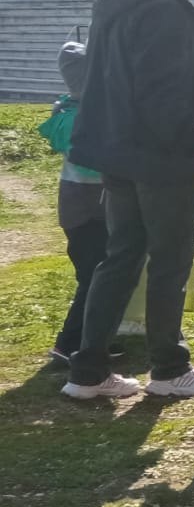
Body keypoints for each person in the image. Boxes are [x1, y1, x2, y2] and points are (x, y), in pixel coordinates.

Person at [63, 0, 194, 402]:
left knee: (122, 254)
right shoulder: (167, 10)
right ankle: (169, 367)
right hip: (161, 156)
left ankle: (87, 370)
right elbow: (166, 93)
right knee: (169, 261)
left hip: (117, 149)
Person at [39, 42, 109, 367]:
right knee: (93, 278)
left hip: (86, 210)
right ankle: (68, 346)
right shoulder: (76, 118)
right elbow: (89, 164)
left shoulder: (71, 111)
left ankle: (94, 339)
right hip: (86, 211)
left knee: (99, 273)